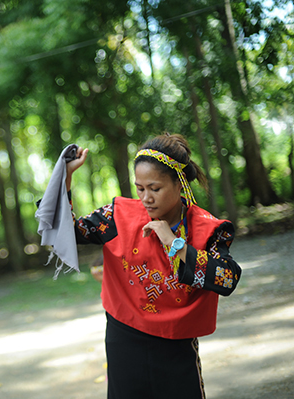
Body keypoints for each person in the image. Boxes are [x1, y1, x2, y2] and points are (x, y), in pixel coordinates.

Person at [42, 133, 242, 399]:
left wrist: (174, 242)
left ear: (180, 184)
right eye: (140, 188)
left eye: (155, 188)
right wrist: (65, 177)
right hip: (124, 336)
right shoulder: (118, 216)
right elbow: (69, 232)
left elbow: (227, 279)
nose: (146, 198)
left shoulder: (206, 228)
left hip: (175, 342)